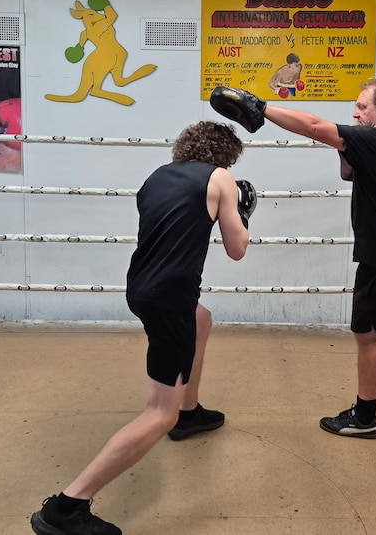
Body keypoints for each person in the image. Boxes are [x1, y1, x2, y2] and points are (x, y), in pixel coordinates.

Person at [30, 120, 253, 535]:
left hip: (142, 288)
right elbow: (238, 250)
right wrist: (241, 211)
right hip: (169, 300)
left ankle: (190, 412)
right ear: (226, 156)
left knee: (201, 318)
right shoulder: (221, 177)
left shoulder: (156, 177)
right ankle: (66, 507)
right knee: (157, 414)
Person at [209, 77, 376, 441]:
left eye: (362, 107)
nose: (355, 112)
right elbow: (349, 172)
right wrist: (346, 143)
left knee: (368, 334)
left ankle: (365, 417)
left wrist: (261, 106)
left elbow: (313, 126)